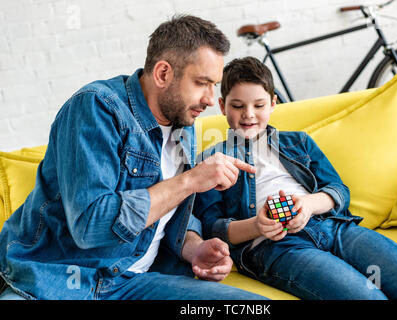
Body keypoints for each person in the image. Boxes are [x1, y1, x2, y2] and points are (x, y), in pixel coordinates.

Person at [0, 15, 267, 300]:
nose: (211, 99)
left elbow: (172, 210)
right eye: (202, 83)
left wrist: (193, 247)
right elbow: (90, 226)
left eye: (214, 85)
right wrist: (190, 180)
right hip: (60, 282)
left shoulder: (184, 124)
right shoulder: (97, 108)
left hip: (133, 283)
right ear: (163, 73)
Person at [193, 56, 397, 300]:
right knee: (366, 295)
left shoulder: (299, 142)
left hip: (333, 226)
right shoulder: (213, 159)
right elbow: (212, 229)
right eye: (238, 106)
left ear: (272, 103)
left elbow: (339, 191)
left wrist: (309, 205)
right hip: (277, 246)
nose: (248, 114)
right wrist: (257, 226)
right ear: (223, 105)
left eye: (258, 105)